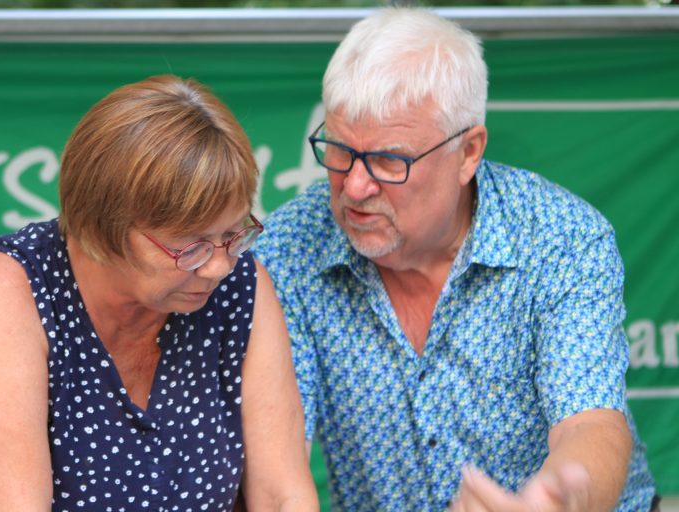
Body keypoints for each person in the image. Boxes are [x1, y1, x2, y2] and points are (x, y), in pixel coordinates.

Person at [253, 8, 657, 512]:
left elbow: (590, 422)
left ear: (468, 153)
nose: (354, 187)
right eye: (338, 151)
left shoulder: (560, 237)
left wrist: (555, 502)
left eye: (388, 160)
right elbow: (276, 471)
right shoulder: (287, 251)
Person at [0, 74, 318, 511]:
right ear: (102, 227)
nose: (219, 266)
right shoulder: (5, 291)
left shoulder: (241, 287)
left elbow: (282, 495)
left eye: (233, 234)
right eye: (190, 246)